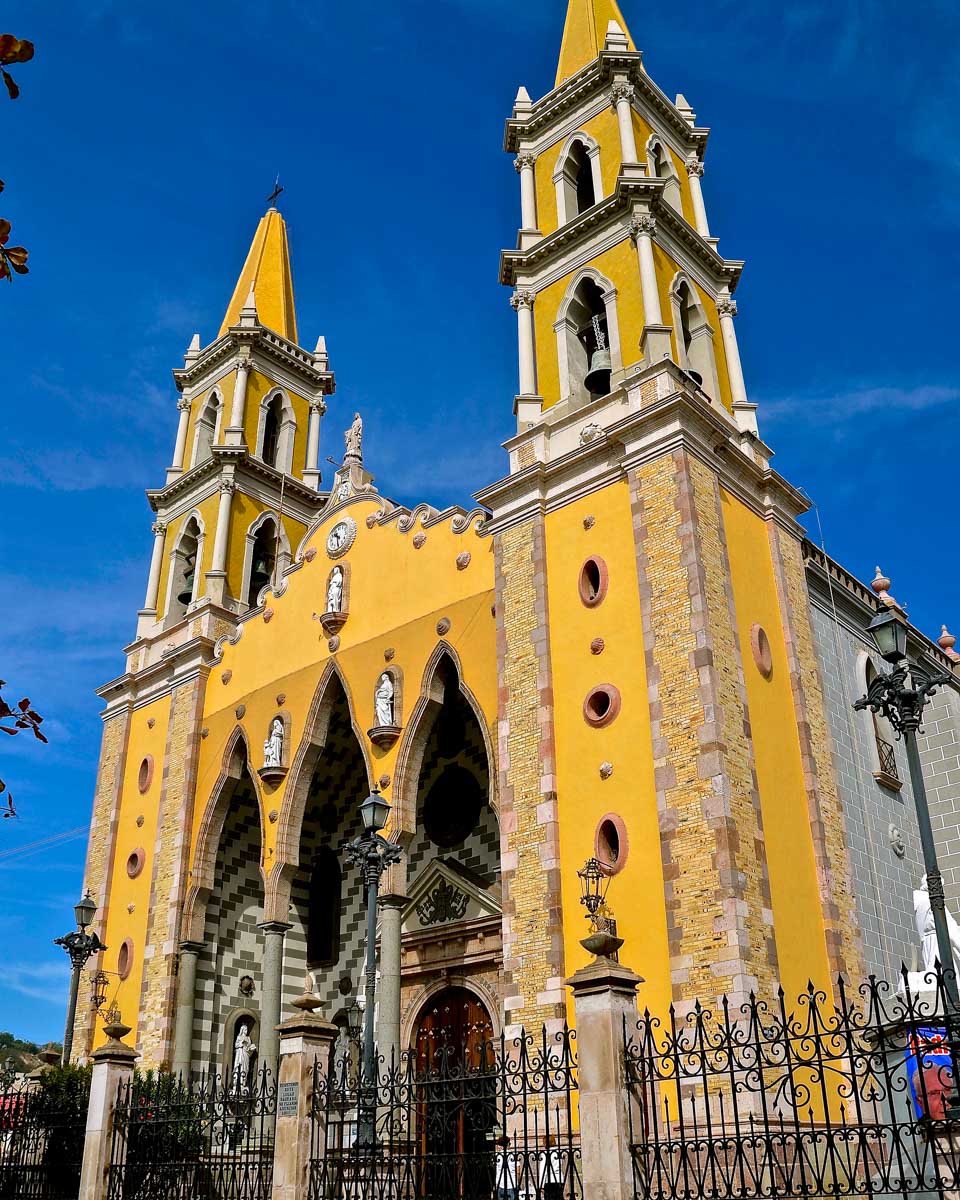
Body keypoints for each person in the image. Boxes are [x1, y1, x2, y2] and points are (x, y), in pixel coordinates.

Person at [539, 1134, 563, 1200]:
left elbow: (543, 1170)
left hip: (550, 1181)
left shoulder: (545, 1154)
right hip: (559, 1179)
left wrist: (541, 1184)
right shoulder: (559, 1152)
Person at [494, 1135, 518, 1200]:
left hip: (500, 1184)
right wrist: (517, 1182)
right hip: (512, 1183)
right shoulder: (514, 1155)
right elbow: (518, 1170)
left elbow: (496, 1170)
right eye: (509, 1143)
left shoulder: (497, 1156)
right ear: (507, 1144)